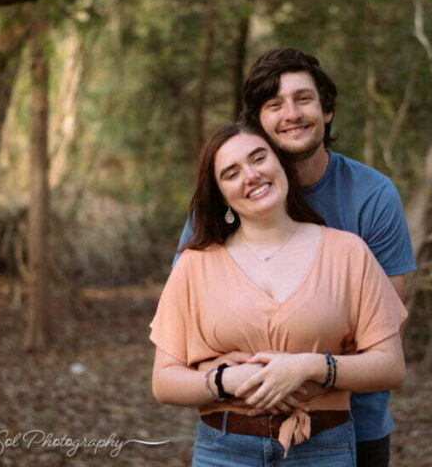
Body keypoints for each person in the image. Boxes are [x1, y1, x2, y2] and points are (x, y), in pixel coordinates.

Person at [174, 48, 417, 466]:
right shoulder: (227, 200)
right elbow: (188, 319)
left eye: (303, 99)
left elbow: (388, 324)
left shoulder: (372, 196)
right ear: (258, 123)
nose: (292, 114)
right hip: (243, 425)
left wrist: (306, 372)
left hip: (354, 426)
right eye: (274, 104)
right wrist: (241, 375)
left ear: (326, 109)